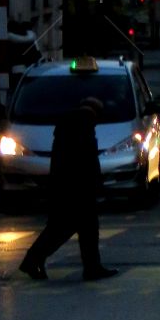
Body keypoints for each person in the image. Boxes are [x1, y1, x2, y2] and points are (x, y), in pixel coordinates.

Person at [19, 98, 118, 282]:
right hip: (77, 189)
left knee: (65, 228)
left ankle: (36, 260)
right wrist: (96, 184)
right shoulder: (84, 125)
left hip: (65, 187)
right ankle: (35, 260)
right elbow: (86, 160)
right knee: (76, 229)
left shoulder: (69, 124)